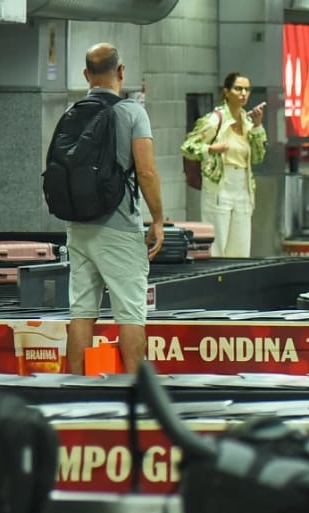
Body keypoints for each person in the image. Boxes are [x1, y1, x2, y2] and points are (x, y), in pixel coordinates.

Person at [65, 44, 165, 376]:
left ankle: (74, 391)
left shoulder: (73, 111)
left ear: (85, 75)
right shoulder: (132, 112)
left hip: (78, 226)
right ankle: (135, 394)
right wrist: (159, 220)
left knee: (81, 312)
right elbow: (147, 171)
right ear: (121, 71)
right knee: (131, 313)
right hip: (120, 227)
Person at [182, 72, 267, 258]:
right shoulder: (215, 119)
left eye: (247, 89)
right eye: (238, 89)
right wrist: (211, 149)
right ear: (226, 92)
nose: (243, 93)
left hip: (243, 187)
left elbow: (258, 157)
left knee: (240, 249)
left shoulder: (247, 121)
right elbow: (188, 147)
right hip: (220, 185)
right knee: (217, 247)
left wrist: (258, 126)